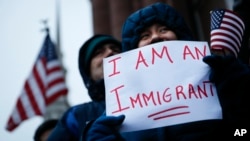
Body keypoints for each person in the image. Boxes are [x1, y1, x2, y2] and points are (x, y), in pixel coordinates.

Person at [83, 2, 250, 141]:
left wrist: (239, 86)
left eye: (163, 29)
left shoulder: (216, 78)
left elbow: (242, 131)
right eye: (145, 35)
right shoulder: (121, 106)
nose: (155, 37)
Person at [47, 34, 122, 141]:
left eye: (116, 49)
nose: (110, 52)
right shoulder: (75, 116)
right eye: (98, 53)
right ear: (89, 73)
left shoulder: (153, 96)